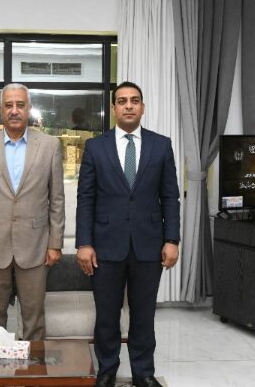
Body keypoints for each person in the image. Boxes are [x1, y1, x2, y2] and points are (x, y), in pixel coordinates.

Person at [76, 81, 180, 387]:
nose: (129, 105)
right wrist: (84, 243)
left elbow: (170, 197)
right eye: (122, 101)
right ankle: (107, 369)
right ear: (113, 109)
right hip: (105, 245)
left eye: (135, 100)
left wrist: (172, 239)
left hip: (149, 244)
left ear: (142, 107)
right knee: (106, 314)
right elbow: (86, 198)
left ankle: (143, 372)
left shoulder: (161, 145)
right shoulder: (96, 147)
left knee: (144, 314)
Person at [0, 83, 65, 340]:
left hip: (35, 246)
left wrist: (55, 243)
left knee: (34, 319)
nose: (14, 110)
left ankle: (33, 364)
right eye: (8, 105)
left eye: (20, 105)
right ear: (0, 109)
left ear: (29, 108)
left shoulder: (50, 145)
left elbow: (56, 200)